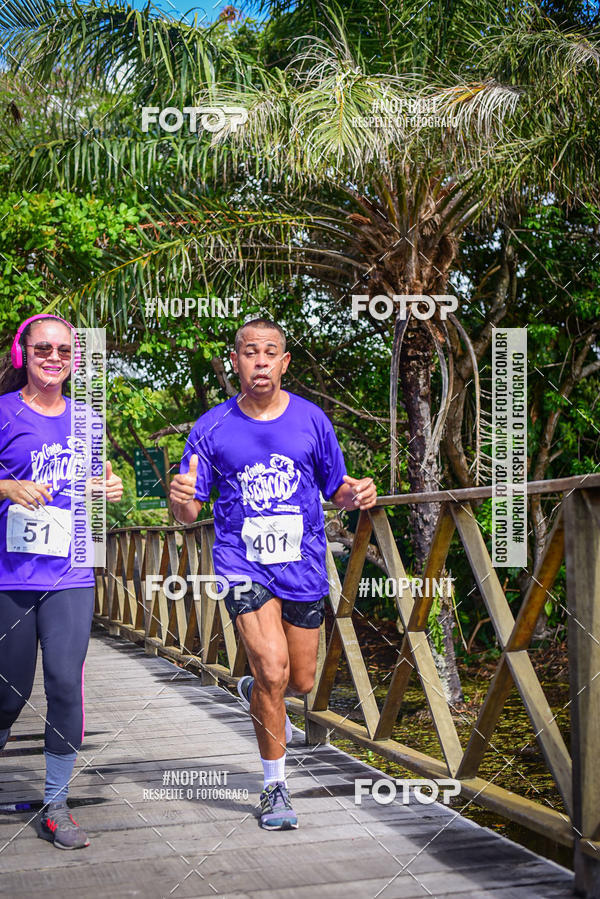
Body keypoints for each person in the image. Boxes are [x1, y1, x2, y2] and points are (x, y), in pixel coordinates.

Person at [169, 318, 376, 830]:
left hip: (302, 565)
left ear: (284, 362)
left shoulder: (312, 420)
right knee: (273, 669)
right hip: (243, 563)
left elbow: (337, 489)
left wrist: (357, 495)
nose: (260, 361)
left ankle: (253, 689)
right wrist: (179, 502)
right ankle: (274, 788)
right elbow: (190, 510)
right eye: (249, 352)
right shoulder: (211, 426)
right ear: (235, 361)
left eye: (270, 352)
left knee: (300, 681)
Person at [0, 313, 123, 849]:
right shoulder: (3, 412)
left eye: (65, 351)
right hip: (9, 575)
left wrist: (108, 489)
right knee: (8, 694)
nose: (55, 358)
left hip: (70, 573)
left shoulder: (89, 420)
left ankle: (56, 804)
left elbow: (92, 486)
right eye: (44, 348)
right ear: (22, 353)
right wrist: (6, 486)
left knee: (64, 684)